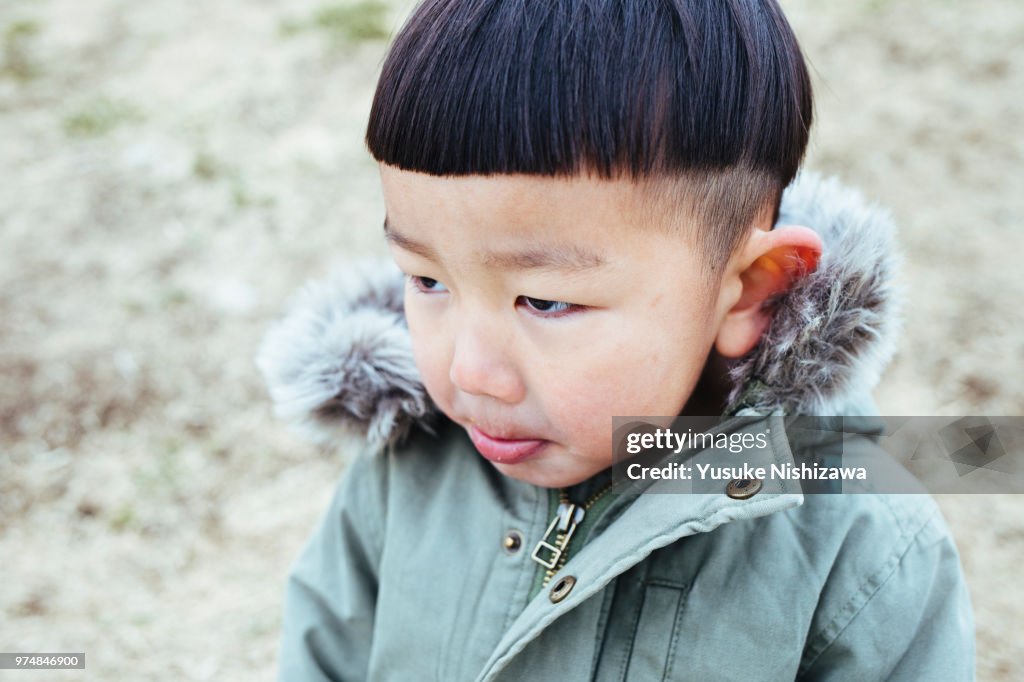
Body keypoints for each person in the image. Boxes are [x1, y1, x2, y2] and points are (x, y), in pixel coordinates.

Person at [256, 0, 976, 679]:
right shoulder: (407, 466)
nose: (469, 372)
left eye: (545, 300)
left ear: (752, 289)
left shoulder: (861, 544)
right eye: (428, 281)